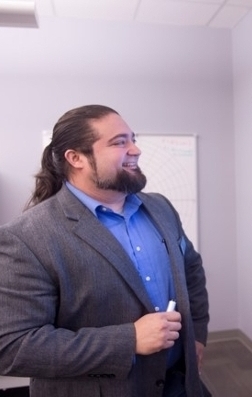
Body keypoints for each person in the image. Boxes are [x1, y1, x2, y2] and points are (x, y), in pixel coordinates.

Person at [0, 105, 210, 397]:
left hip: (180, 384)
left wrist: (197, 336)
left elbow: (191, 271)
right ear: (76, 158)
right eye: (119, 142)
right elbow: (14, 347)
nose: (135, 149)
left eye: (132, 139)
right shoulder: (25, 237)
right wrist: (129, 340)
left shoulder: (160, 207)